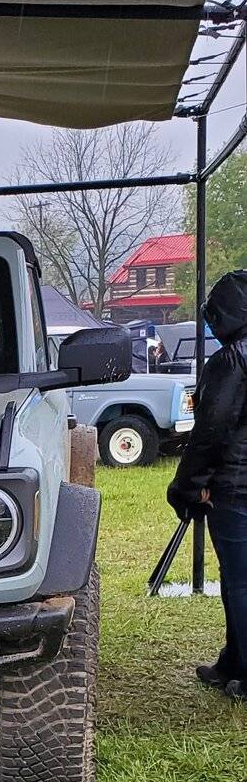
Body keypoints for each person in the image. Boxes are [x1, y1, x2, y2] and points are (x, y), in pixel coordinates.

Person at [167, 270, 247, 700]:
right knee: (239, 578)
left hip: (235, 485)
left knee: (240, 582)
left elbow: (210, 431)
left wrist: (187, 485)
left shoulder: (232, 359)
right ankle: (234, 662)